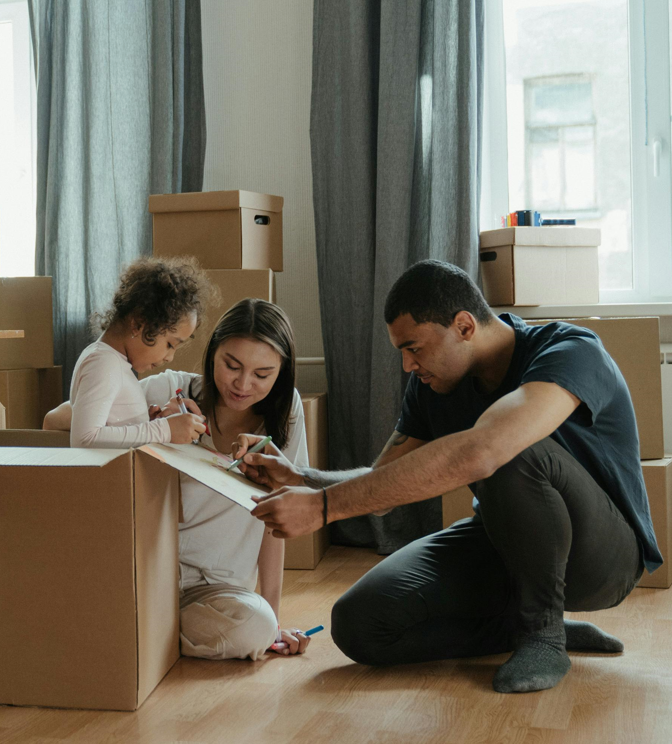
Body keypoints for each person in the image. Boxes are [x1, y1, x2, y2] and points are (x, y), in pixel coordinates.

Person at [244, 260, 662, 693]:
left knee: (509, 448)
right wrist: (303, 479)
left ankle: (544, 635)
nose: (407, 365)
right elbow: (384, 484)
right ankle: (524, 626)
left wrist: (324, 508)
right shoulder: (432, 385)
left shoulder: (571, 350)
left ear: (464, 326)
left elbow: (486, 450)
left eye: (415, 348)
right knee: (359, 624)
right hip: (505, 544)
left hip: (604, 559)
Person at [47, 298, 313, 659]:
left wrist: (274, 621)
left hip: (219, 590)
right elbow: (56, 420)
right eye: (231, 365)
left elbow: (276, 519)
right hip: (150, 574)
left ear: (281, 373)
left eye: (262, 375)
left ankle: (140, 633)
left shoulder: (287, 415)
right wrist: (153, 426)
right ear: (212, 353)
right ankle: (143, 630)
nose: (243, 384)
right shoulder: (169, 389)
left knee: (257, 627)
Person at [67, 256, 212, 448]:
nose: (170, 357)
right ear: (138, 323)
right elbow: (85, 439)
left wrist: (146, 424)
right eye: (170, 344)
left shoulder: (114, 362)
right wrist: (164, 429)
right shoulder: (103, 363)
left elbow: (113, 431)